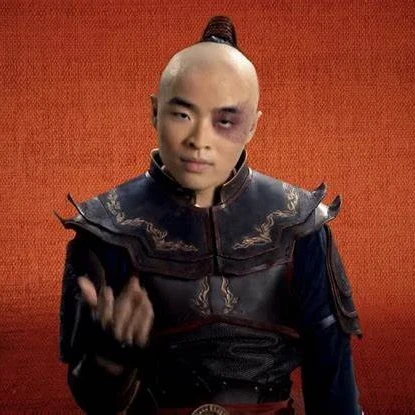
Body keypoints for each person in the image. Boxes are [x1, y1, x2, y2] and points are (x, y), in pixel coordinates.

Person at [58, 16, 363, 415]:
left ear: (252, 126)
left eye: (225, 121)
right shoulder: (106, 229)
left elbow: (334, 387)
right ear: (155, 111)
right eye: (182, 115)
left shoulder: (300, 225)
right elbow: (92, 399)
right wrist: (110, 360)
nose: (199, 140)